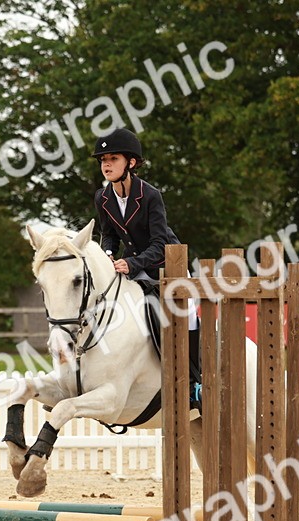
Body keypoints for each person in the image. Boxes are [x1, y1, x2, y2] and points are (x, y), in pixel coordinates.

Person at [91, 128, 202, 407]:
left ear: (130, 163)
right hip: (134, 266)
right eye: (103, 159)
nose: (106, 164)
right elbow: (109, 234)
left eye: (113, 158)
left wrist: (129, 263)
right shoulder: (102, 198)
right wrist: (107, 254)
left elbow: (159, 243)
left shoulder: (150, 195)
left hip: (168, 265)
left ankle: (196, 382)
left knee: (185, 314)